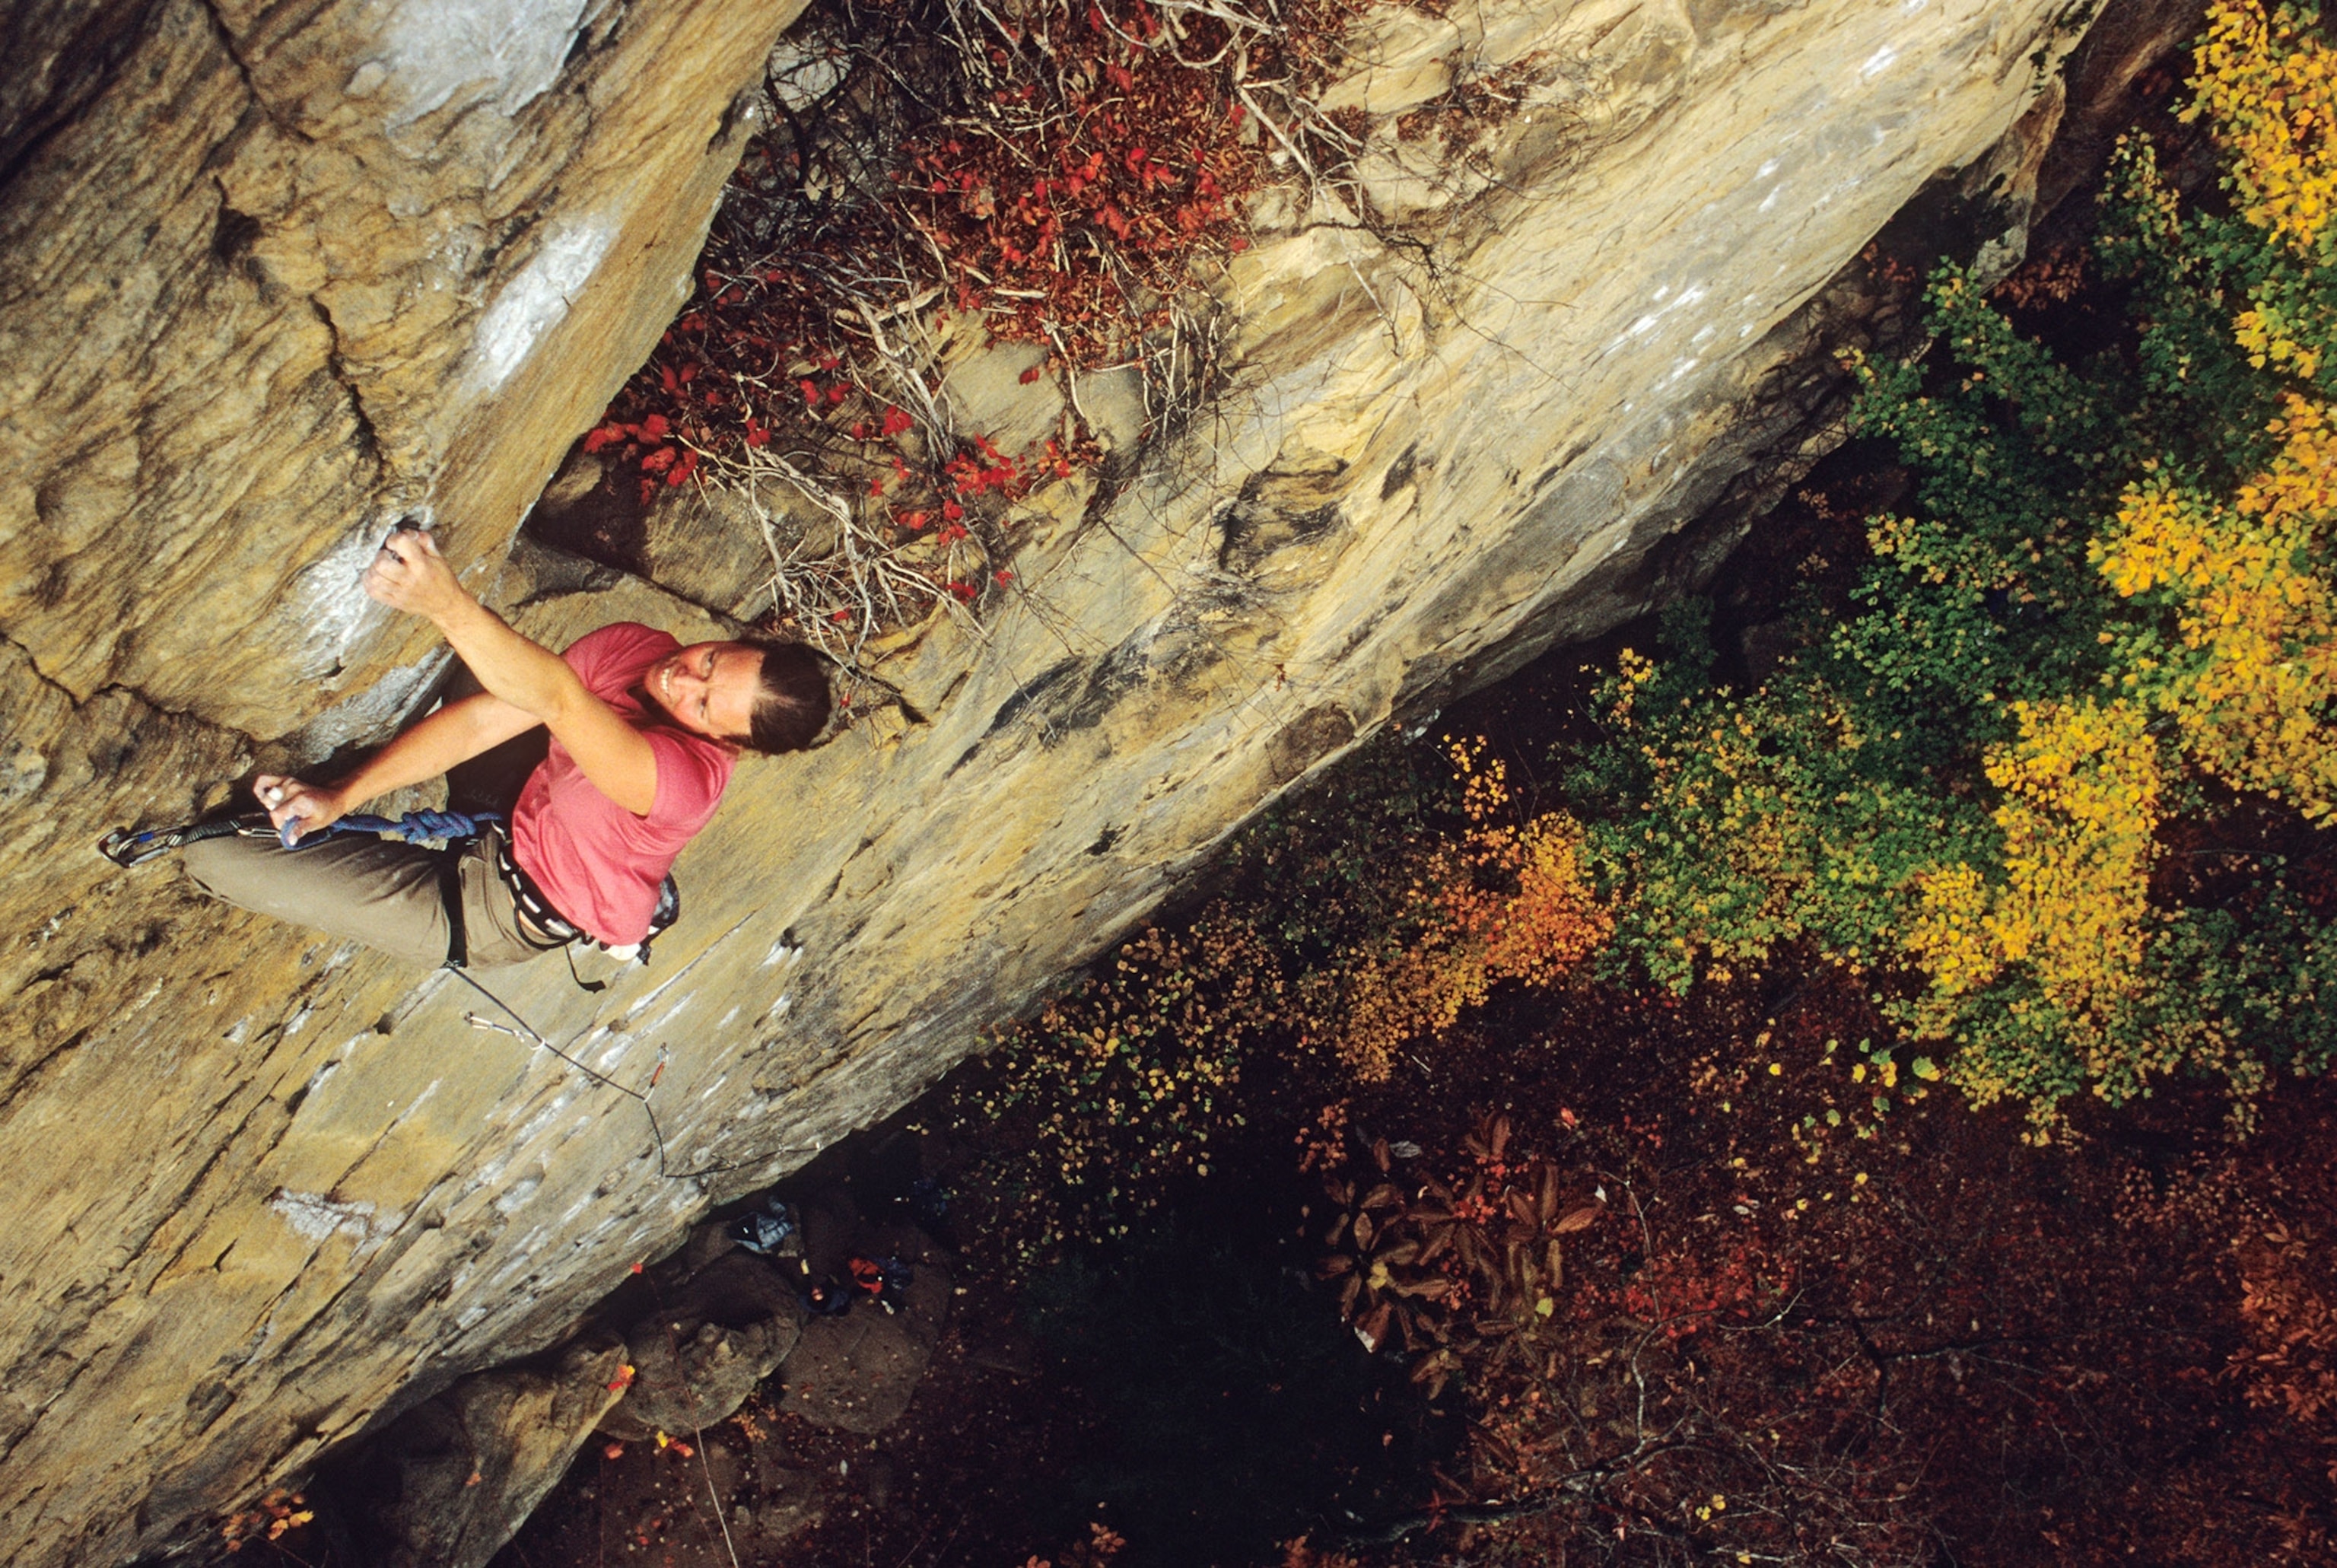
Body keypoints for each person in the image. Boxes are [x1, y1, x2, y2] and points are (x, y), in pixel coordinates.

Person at [183, 527, 830, 969]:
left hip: (494, 909)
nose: (682, 679)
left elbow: (559, 701)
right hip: (523, 803)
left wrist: (444, 602)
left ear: (727, 742)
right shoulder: (640, 648)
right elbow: (484, 722)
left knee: (216, 853)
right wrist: (339, 795)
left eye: (705, 704)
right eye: (711, 659)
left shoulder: (681, 784)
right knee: (494, 667)